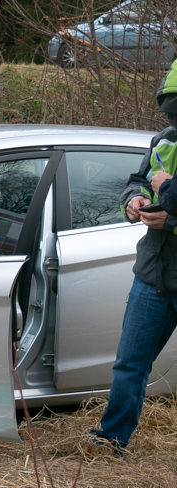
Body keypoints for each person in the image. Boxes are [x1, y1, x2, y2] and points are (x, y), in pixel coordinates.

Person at [87, 60, 177, 457]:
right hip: (153, 277)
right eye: (170, 109)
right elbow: (138, 180)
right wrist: (135, 201)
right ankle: (111, 440)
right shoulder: (164, 140)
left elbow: (169, 193)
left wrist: (169, 199)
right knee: (129, 365)